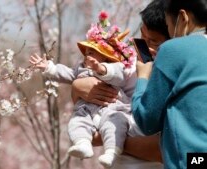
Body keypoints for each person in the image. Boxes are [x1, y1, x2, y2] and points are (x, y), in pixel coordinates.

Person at [29, 11, 138, 168]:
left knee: (115, 124)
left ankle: (112, 151)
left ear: (106, 57)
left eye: (93, 52)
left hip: (112, 108)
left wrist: (101, 68)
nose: (88, 55)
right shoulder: (80, 70)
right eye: (87, 52)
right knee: (76, 122)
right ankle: (82, 143)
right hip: (86, 110)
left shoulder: (114, 68)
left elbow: (119, 74)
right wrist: (49, 68)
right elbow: (66, 73)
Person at [72, 0, 169, 168]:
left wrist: (114, 137)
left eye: (154, 42)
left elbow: (166, 150)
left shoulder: (173, 74)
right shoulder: (128, 62)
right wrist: (77, 88)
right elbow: (92, 105)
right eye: (142, 37)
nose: (146, 47)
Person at [132, 0, 207, 168]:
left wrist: (142, 78)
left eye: (168, 24)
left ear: (182, 17)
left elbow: (146, 120)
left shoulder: (174, 48)